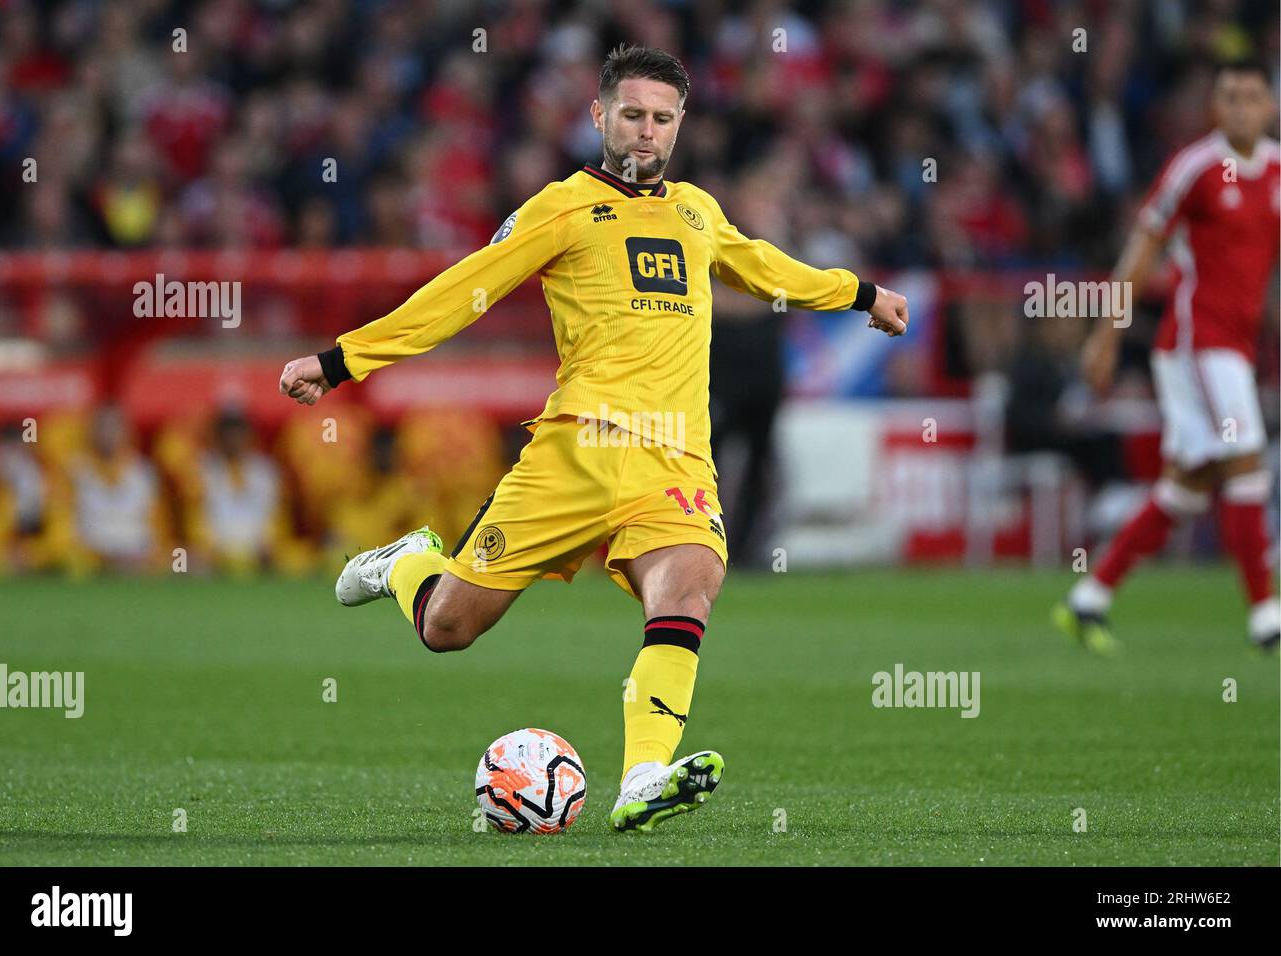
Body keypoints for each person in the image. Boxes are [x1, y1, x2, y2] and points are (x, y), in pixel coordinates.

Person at [278, 45, 907, 831]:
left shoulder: (698, 212)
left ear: (680, 125)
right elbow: (460, 293)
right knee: (448, 627)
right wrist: (342, 361)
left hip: (675, 455)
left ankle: (643, 776)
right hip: (576, 451)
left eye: (662, 118)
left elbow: (763, 268)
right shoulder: (561, 207)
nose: (646, 132)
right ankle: (409, 563)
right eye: (633, 114)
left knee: (689, 589)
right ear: (599, 115)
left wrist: (862, 293)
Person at [1055, 59, 1280, 652]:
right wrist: (1106, 333)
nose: (1240, 108)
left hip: (1235, 344)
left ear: (1269, 106)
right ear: (1214, 107)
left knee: (1188, 485)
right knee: (1247, 461)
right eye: (1228, 97)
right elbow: (1144, 244)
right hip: (1195, 343)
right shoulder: (1196, 168)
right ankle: (1266, 617)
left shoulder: (1278, 173)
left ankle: (1089, 598)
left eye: (1251, 97)